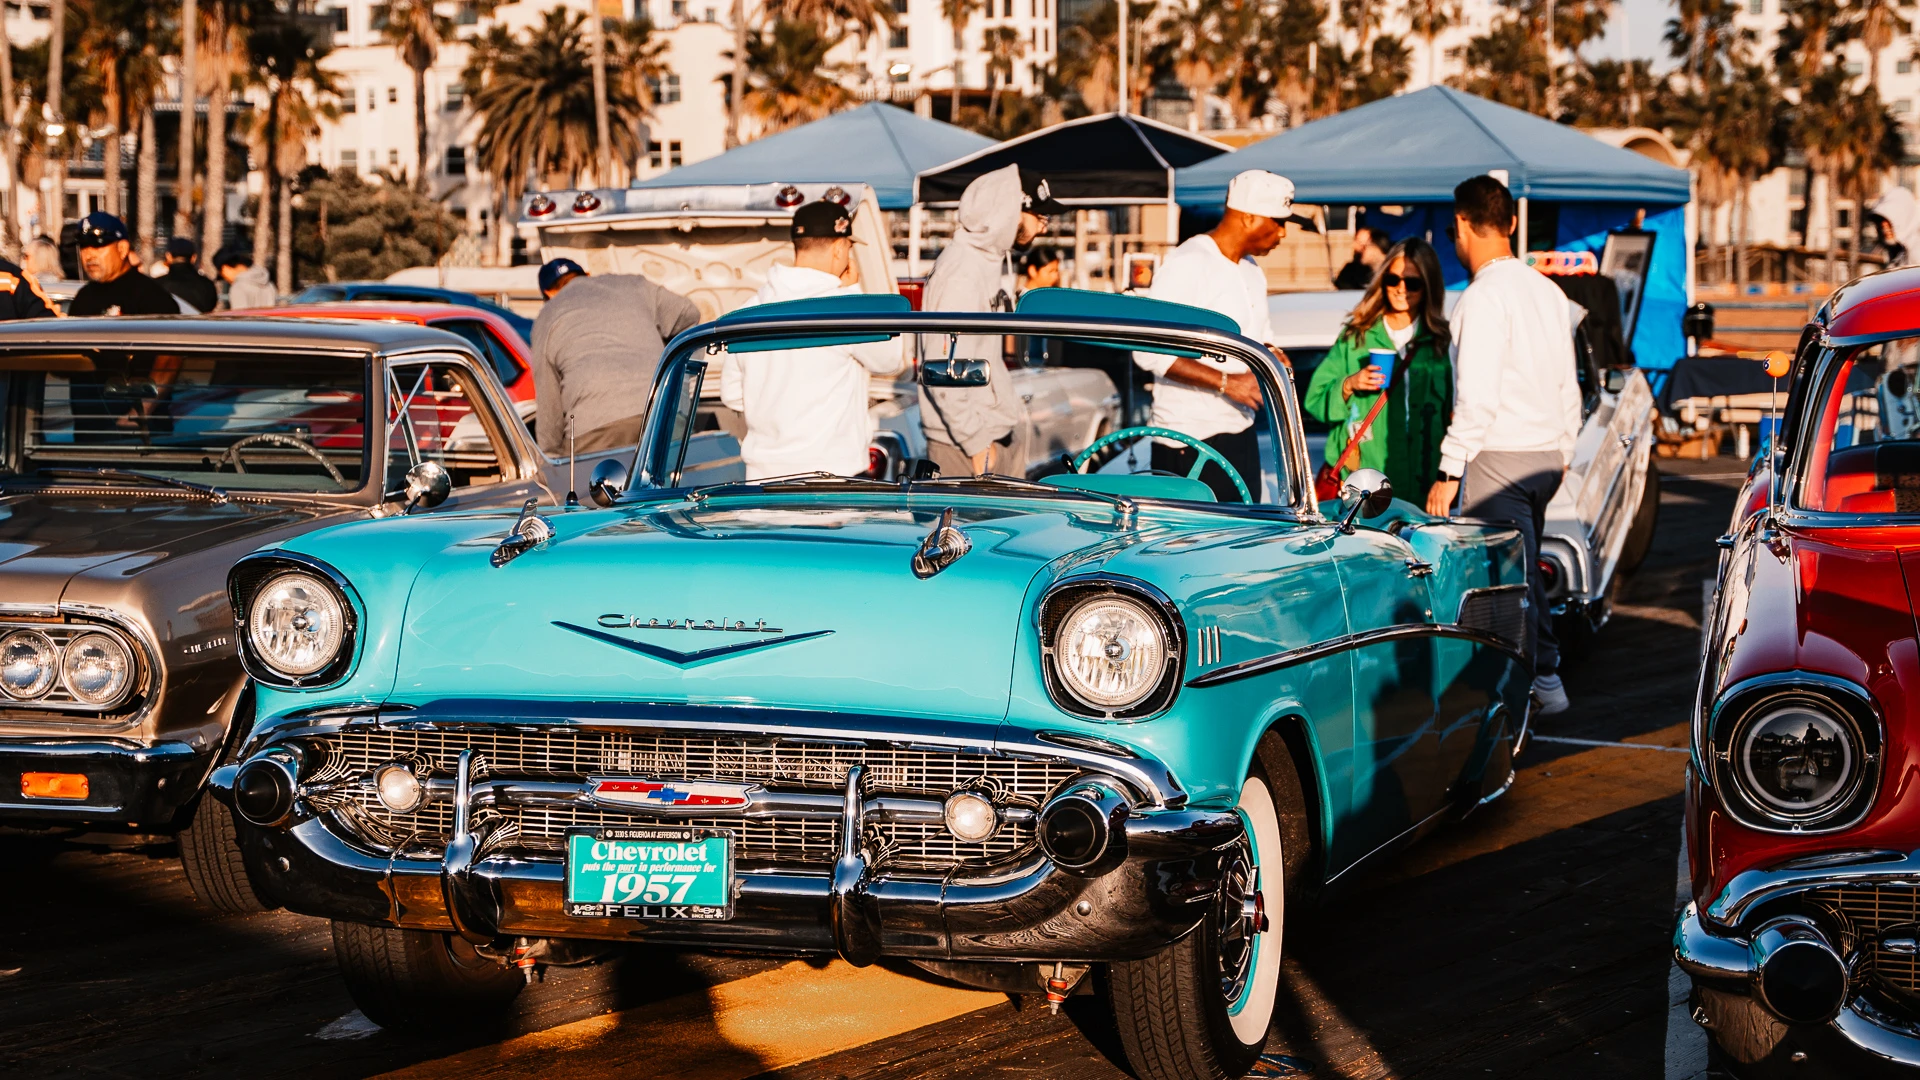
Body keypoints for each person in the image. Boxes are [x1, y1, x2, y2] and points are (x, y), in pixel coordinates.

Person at [1423, 174, 1582, 715]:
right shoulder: (1549, 292)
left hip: (1498, 456)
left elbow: (1477, 398)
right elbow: (1569, 384)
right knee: (1522, 570)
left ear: (1463, 224)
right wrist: (1563, 451)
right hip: (1544, 456)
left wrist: (1448, 471)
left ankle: (1538, 683)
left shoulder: (1482, 297)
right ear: (1511, 224)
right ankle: (1537, 681)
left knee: (1503, 583)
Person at [1134, 169, 1297, 502]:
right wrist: (1228, 383)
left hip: (1239, 431)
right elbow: (1147, 349)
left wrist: (1274, 356)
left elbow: (1258, 337)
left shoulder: (1251, 269)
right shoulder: (1189, 263)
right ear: (1248, 218)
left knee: (1241, 542)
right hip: (1187, 441)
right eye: (1278, 221)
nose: (1283, 233)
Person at [721, 201, 901, 480]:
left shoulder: (751, 308)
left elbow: (732, 393)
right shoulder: (845, 308)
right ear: (839, 249)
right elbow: (889, 359)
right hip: (833, 478)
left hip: (761, 479)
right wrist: (853, 290)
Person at [919, 163, 1065, 477]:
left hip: (986, 432)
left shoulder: (986, 262)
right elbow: (942, 368)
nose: (1043, 228)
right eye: (1040, 217)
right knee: (970, 527)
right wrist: (977, 445)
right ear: (1010, 212)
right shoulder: (961, 274)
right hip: (965, 446)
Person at [1304, 237, 1452, 505]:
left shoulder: (1441, 342)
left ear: (1428, 286)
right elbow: (1314, 400)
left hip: (1424, 487)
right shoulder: (1356, 336)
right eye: (1393, 280)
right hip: (1364, 487)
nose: (1401, 289)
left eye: (1413, 283)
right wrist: (1349, 384)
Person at [528, 263, 701, 458]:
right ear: (587, 274)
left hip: (595, 426)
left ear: (548, 293)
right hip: (663, 411)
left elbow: (548, 400)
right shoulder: (634, 284)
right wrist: (680, 387)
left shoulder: (547, 315)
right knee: (668, 486)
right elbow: (689, 316)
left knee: (592, 486)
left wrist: (550, 455)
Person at [69, 213, 182, 317]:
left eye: (97, 246)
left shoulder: (151, 298)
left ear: (122, 249)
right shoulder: (83, 298)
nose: (89, 256)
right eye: (83, 247)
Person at [158, 236, 218, 313]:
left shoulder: (158, 285)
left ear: (168, 256)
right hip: (198, 324)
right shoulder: (208, 284)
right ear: (194, 257)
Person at [1871, 186, 1920, 268]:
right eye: (1879, 220)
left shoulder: (1916, 254)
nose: (1884, 226)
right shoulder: (1898, 251)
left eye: (1889, 219)